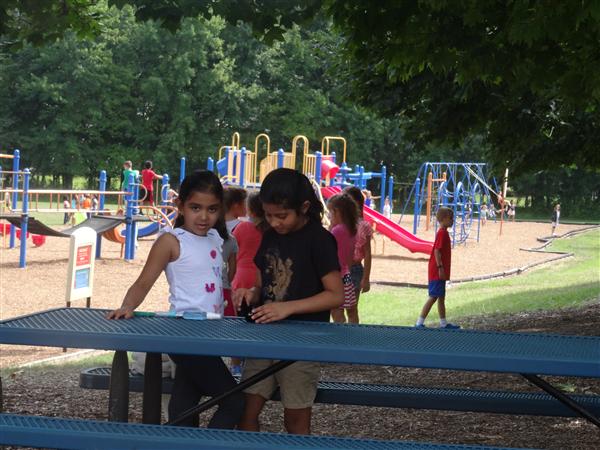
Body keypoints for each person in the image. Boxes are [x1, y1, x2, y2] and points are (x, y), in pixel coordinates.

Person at [107, 170, 244, 429]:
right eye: (195, 208)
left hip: (211, 334)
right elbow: (143, 281)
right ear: (180, 206)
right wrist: (127, 306)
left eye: (212, 209)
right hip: (184, 335)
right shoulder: (171, 241)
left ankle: (178, 440)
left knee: (184, 404)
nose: (204, 216)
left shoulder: (216, 238)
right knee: (235, 402)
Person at [233, 168, 343, 435]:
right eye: (268, 215)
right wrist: (251, 293)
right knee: (244, 412)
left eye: (281, 216)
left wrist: (287, 308)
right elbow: (264, 284)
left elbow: (335, 295)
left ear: (304, 207)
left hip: (302, 344)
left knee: (295, 420)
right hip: (264, 339)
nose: (274, 222)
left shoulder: (320, 240)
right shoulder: (269, 235)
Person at [229, 192, 268, 376]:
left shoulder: (243, 227)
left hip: (242, 275)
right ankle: (256, 359)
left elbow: (233, 249)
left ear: (250, 209)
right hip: (262, 277)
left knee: (239, 323)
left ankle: (236, 364)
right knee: (260, 320)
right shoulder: (269, 230)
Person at [415, 207, 460, 330]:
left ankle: (443, 323)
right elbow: (436, 251)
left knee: (441, 297)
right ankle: (419, 323)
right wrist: (440, 267)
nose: (452, 220)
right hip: (437, 271)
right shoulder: (442, 233)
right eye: (450, 218)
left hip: (440, 270)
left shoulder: (443, 232)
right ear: (443, 219)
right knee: (434, 296)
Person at [327, 193, 358, 324]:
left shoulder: (337, 231)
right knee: (347, 311)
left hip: (337, 277)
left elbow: (328, 251)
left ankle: (340, 335)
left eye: (330, 212)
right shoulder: (351, 229)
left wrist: (330, 229)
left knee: (336, 312)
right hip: (346, 275)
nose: (329, 216)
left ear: (338, 212)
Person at [343, 186, 373, 324]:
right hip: (339, 269)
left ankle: (352, 334)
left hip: (354, 270)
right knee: (336, 308)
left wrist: (366, 278)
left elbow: (368, 254)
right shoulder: (339, 224)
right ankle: (340, 334)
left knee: (351, 309)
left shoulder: (364, 226)